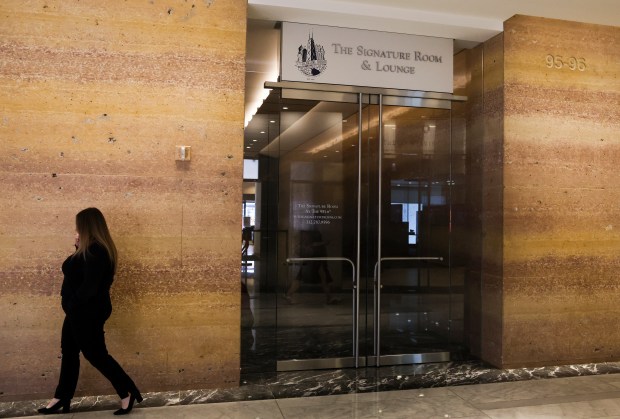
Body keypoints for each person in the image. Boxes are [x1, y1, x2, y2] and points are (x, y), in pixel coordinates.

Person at [38, 208, 142, 416]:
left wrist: (71, 304)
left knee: (95, 354)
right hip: (78, 310)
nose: (76, 229)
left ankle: (127, 391)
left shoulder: (97, 251)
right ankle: (62, 397)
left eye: (79, 225)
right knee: (69, 352)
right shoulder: (91, 249)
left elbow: (89, 287)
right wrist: (77, 249)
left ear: (87, 225)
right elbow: (78, 275)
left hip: (87, 311)